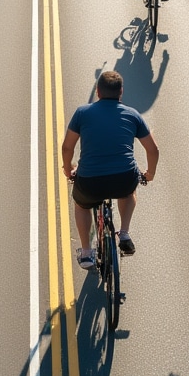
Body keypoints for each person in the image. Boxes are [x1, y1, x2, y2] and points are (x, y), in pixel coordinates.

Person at [62, 70, 159, 268]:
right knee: (128, 192)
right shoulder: (133, 114)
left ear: (98, 91)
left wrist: (68, 169)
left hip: (90, 181)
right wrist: (149, 174)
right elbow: (153, 149)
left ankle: (86, 253)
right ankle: (124, 233)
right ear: (121, 92)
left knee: (81, 205)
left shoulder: (82, 113)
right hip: (123, 179)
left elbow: (67, 147)